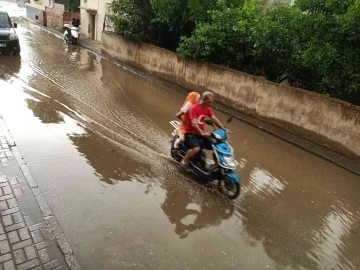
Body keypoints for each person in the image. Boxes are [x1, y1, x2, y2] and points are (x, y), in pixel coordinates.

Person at [179, 91, 226, 172]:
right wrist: (201, 132)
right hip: (190, 133)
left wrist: (223, 128)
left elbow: (214, 119)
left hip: (201, 133)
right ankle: (184, 161)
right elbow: (194, 123)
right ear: (203, 99)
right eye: (208, 102)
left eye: (211, 102)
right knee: (196, 148)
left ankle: (216, 163)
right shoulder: (193, 108)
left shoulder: (208, 109)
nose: (210, 104)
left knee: (215, 146)